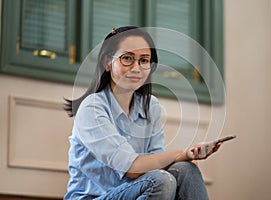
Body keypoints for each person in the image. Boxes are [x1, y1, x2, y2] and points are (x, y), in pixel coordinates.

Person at [64, 26, 222, 200]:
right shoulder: (92, 108)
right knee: (160, 181)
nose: (136, 67)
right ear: (107, 63)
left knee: (186, 169)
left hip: (133, 192)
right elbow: (132, 169)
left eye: (144, 60)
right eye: (127, 58)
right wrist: (181, 154)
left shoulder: (150, 106)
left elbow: (158, 163)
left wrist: (190, 155)